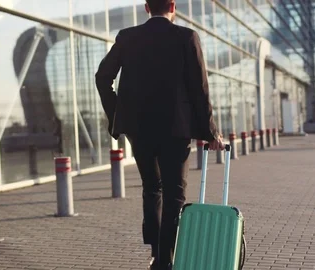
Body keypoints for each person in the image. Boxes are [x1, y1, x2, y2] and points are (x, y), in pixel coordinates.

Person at [95, 0, 224, 269]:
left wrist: (118, 113)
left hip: (138, 128)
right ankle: (165, 258)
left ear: (146, 7)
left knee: (152, 188)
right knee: (175, 193)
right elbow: (200, 89)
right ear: (173, 6)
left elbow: (102, 76)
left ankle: (157, 252)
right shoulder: (187, 37)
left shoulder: (127, 37)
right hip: (175, 129)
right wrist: (210, 132)